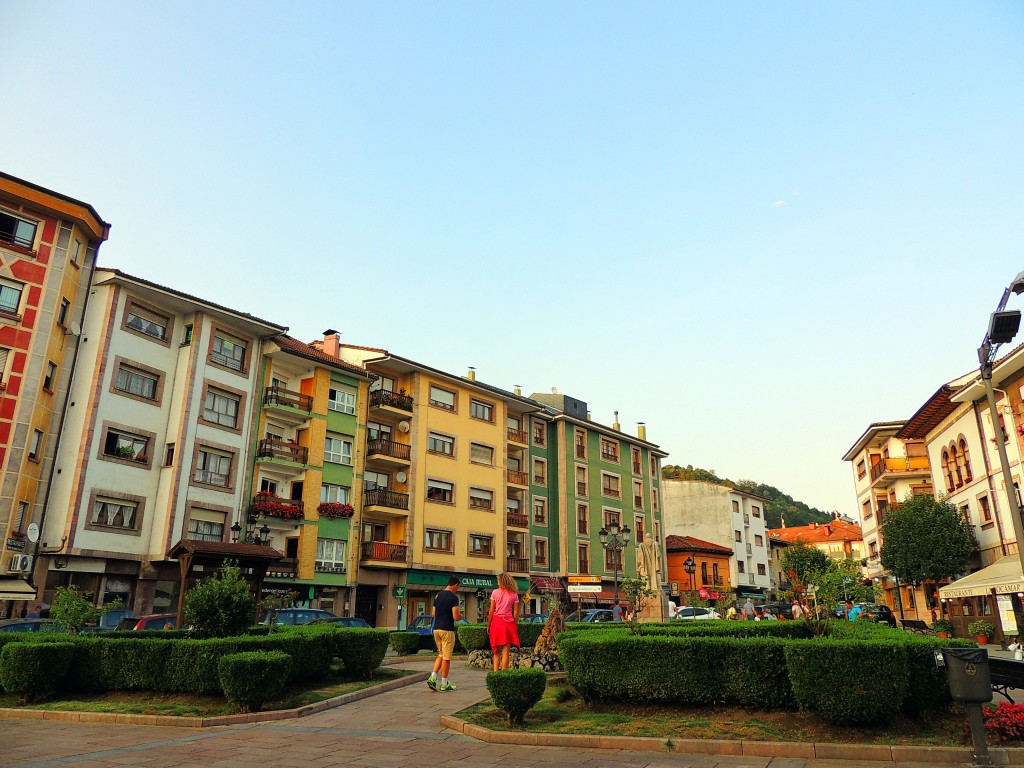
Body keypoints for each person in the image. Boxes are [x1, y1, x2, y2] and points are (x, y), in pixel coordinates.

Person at [427, 576, 462, 692]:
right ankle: (444, 683)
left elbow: (433, 613)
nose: (458, 589)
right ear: (455, 585)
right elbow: (456, 617)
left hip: (436, 629)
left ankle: (432, 677)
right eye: (458, 586)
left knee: (441, 654)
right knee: (447, 658)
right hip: (447, 630)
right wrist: (460, 615)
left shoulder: (438, 595)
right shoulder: (453, 598)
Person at [487, 572, 521, 672]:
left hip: (496, 622)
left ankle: (495, 672)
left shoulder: (495, 593)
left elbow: (492, 610)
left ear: (501, 581)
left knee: (496, 651)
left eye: (498, 581)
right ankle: (504, 673)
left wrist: (488, 625)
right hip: (508, 623)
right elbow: (515, 612)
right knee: (506, 651)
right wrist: (515, 624)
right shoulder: (514, 594)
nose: (497, 583)